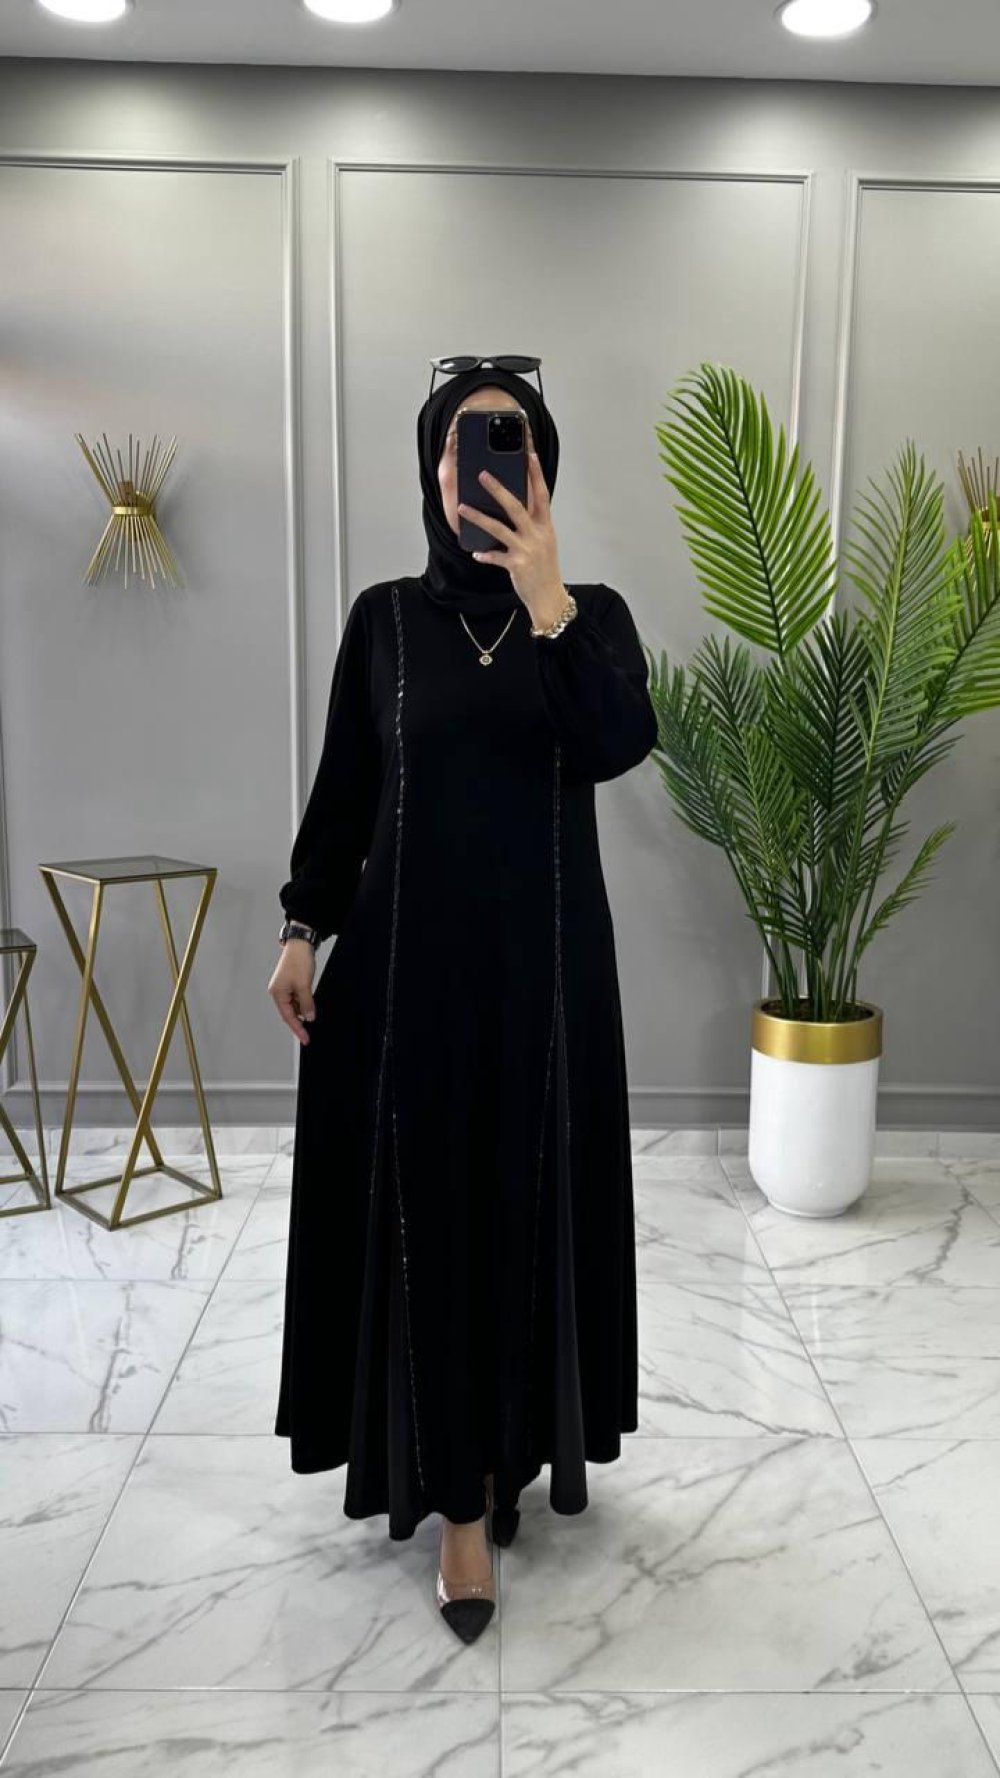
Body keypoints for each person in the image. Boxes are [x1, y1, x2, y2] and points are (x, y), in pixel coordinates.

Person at [267, 361, 658, 1645]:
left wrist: (548, 602)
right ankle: (458, 1509)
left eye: (510, 443)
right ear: (431, 467)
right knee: (430, 1224)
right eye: (459, 446)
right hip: (407, 983)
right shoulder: (383, 619)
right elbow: (346, 794)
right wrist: (301, 927)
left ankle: (508, 1454)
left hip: (548, 985)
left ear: (543, 468)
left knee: (524, 1218)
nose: (480, 468)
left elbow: (616, 742)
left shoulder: (590, 616)